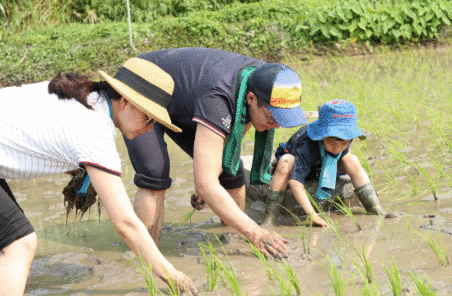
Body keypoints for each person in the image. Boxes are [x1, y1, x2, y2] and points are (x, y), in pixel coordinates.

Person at [0, 58, 197, 296]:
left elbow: (40, 136)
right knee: (19, 245)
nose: (150, 127)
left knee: (10, 253)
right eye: (149, 118)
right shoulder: (95, 132)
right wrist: (171, 275)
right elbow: (126, 223)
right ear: (125, 102)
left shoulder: (85, 95)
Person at [123, 47, 307, 259]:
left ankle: (232, 242)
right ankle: (146, 256)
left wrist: (209, 183)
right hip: (143, 85)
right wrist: (255, 231)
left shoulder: (264, 79)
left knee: (231, 171)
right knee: (154, 172)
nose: (276, 124)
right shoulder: (219, 98)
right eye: (272, 117)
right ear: (251, 99)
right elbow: (206, 182)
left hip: (185, 99)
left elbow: (230, 145)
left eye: (283, 118)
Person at [265, 99, 387, 227]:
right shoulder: (306, 144)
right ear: (322, 135)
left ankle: (375, 209)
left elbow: (346, 156)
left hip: (323, 165)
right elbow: (295, 182)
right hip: (300, 163)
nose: (338, 148)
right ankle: (269, 219)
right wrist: (313, 215)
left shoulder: (346, 139)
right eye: (332, 142)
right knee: (286, 162)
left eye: (344, 143)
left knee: (351, 159)